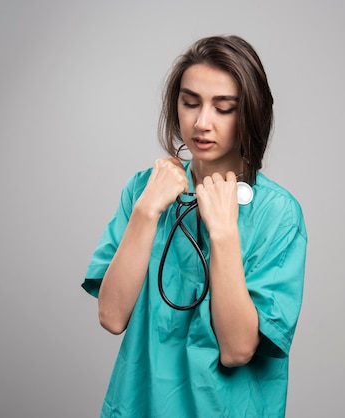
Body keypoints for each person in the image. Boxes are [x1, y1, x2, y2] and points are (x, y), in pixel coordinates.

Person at [82, 34, 307, 417]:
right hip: (139, 405)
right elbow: (112, 316)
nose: (202, 123)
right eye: (190, 103)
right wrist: (146, 212)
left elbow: (237, 350)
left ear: (250, 113)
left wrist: (223, 233)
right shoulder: (143, 190)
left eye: (223, 108)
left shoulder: (277, 214)